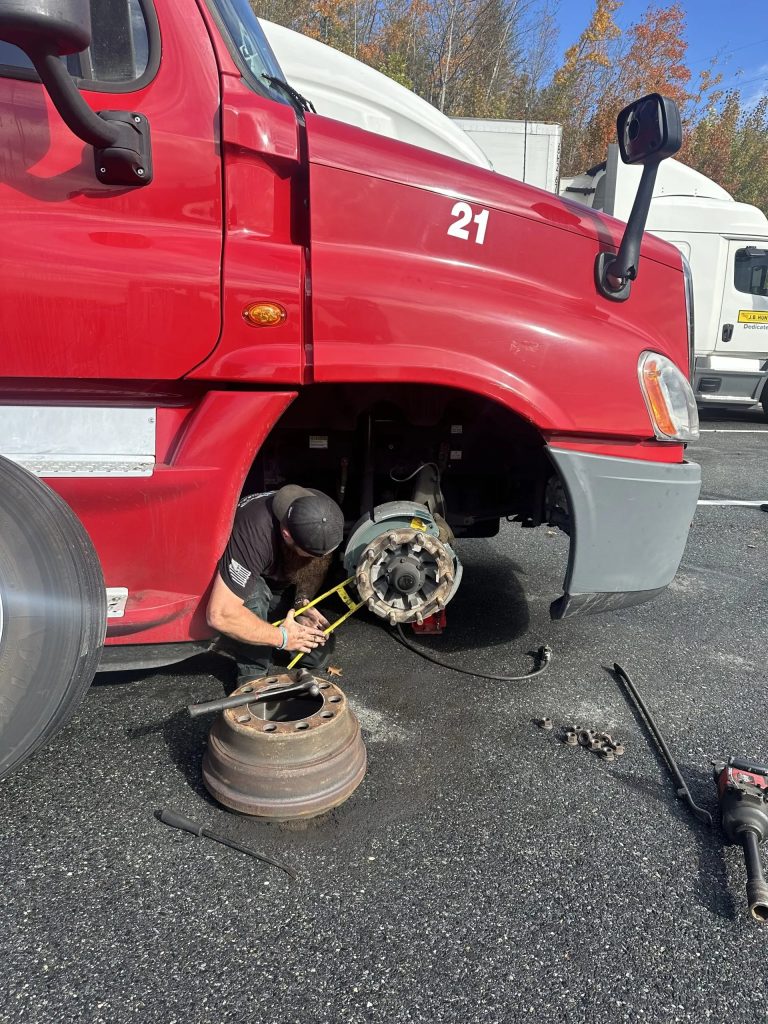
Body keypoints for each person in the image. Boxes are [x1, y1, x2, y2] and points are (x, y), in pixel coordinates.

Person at [207, 485, 345, 684]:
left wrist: (301, 602)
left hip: (276, 583)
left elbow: (317, 564)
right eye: (312, 555)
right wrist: (283, 637)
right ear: (287, 535)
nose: (319, 558)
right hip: (236, 584)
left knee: (317, 654)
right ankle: (252, 675)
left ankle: (251, 636)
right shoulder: (253, 534)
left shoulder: (319, 512)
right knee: (256, 596)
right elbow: (220, 614)